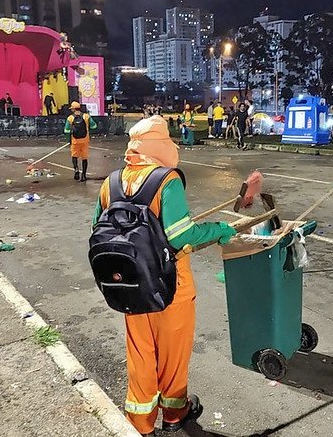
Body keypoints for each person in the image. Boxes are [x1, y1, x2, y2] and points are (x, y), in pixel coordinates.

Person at [93, 116, 236, 436]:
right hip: (171, 286)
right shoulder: (165, 180)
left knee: (141, 354)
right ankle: (174, 415)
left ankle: (140, 424)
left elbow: (97, 228)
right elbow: (180, 234)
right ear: (161, 146)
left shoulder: (111, 182)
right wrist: (220, 229)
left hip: (129, 286)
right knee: (172, 354)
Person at [64, 101, 97, 182]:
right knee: (84, 158)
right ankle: (84, 175)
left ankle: (76, 170)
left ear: (73, 109)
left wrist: (70, 136)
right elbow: (94, 126)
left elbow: (66, 130)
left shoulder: (70, 118)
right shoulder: (86, 116)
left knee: (74, 156)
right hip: (85, 140)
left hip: (75, 141)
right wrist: (88, 128)